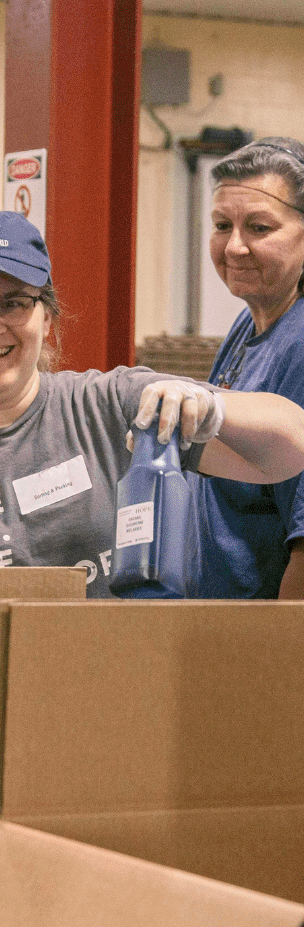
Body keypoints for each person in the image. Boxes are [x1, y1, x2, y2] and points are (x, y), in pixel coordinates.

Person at [0, 209, 304, 595]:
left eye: (13, 303)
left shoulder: (113, 407)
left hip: (120, 665)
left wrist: (212, 408)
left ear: (46, 317)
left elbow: (289, 451)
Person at [197, 137, 304, 598]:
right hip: (218, 620)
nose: (235, 247)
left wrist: (280, 641)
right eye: (222, 225)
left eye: (259, 228)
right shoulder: (251, 323)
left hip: (261, 632)